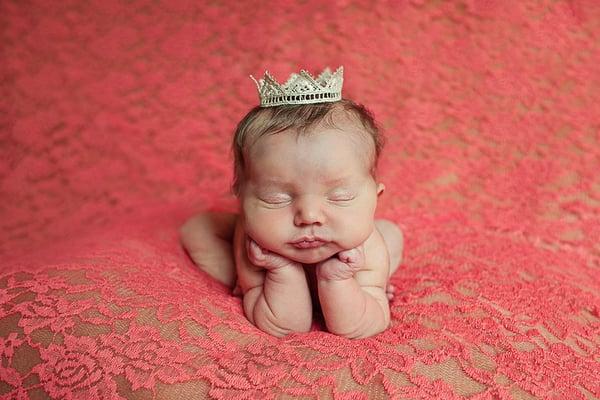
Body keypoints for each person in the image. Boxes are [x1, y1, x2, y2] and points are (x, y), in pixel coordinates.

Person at [180, 67, 403, 338]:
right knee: (197, 228)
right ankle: (240, 282)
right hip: (269, 256)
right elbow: (286, 327)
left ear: (375, 199)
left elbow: (358, 328)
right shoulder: (259, 249)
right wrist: (280, 271)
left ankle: (371, 286)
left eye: (340, 196)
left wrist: (339, 279)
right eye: (276, 198)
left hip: (351, 263)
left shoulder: (364, 249)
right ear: (241, 198)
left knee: (391, 233)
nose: (308, 215)